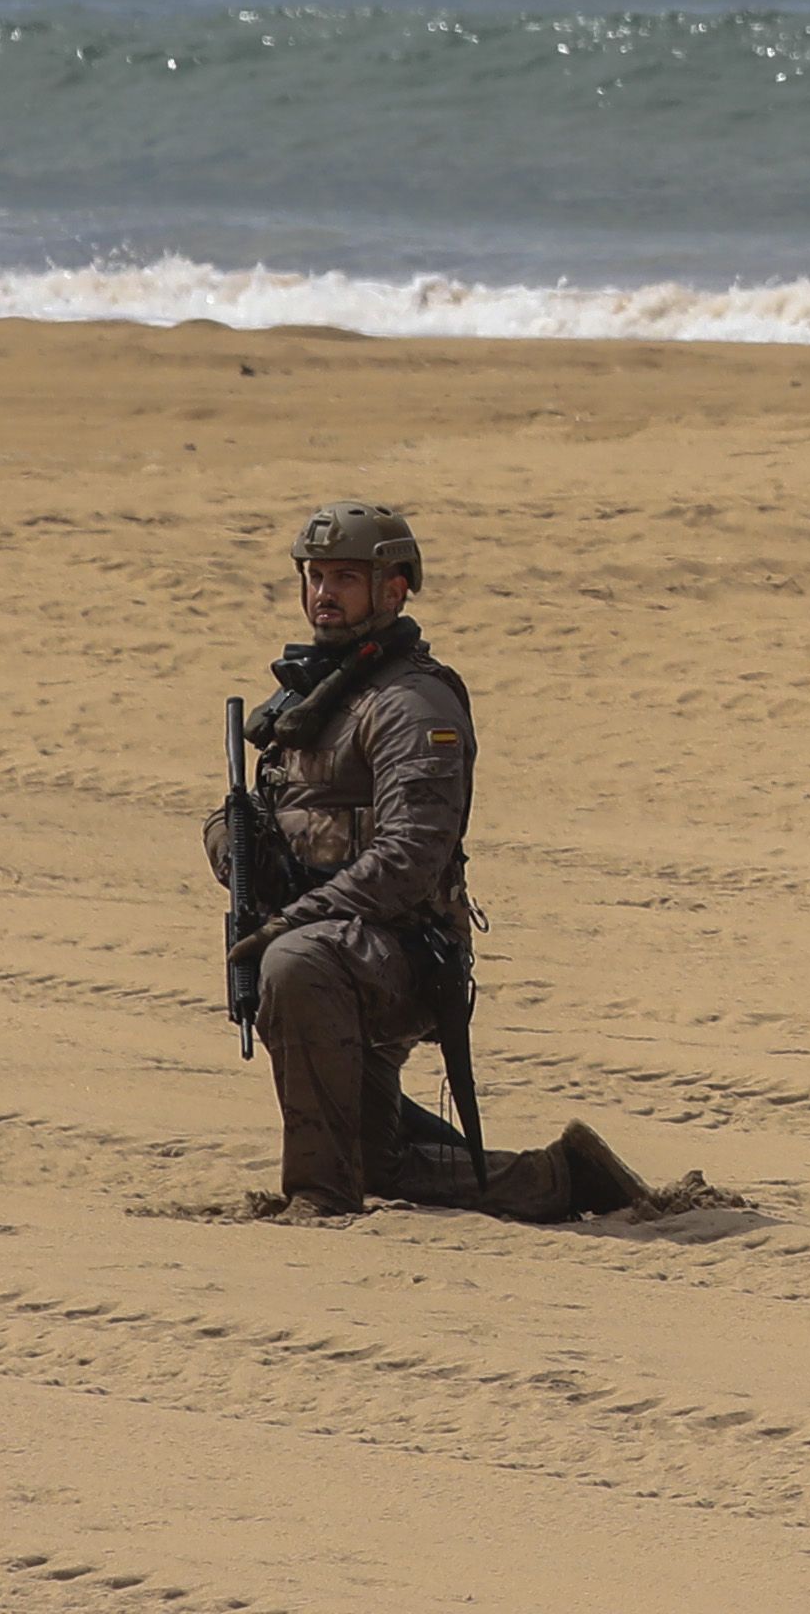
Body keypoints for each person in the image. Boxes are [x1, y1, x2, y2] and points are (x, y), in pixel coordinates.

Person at [207, 500, 654, 1222]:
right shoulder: (316, 693)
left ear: (394, 589)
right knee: (382, 1160)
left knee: (294, 964)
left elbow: (410, 857)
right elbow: (273, 813)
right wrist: (236, 847)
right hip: (340, 944)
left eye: (345, 578)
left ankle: (318, 1200)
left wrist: (293, 916)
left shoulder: (413, 704)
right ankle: (564, 1180)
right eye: (315, 576)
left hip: (402, 952)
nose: (324, 594)